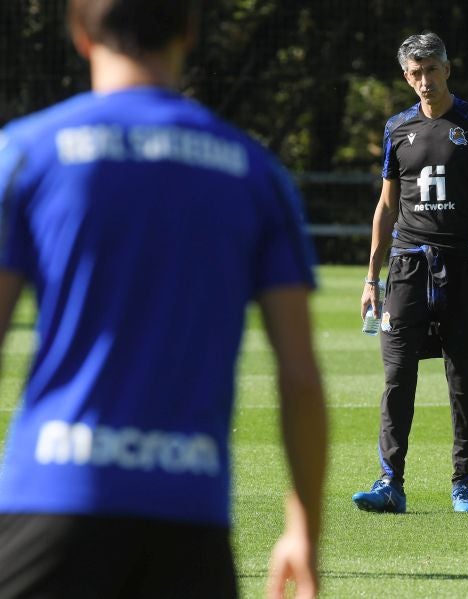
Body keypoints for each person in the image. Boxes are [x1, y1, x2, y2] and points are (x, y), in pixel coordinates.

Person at [0, 1, 326, 598]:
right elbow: (299, 376)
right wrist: (303, 526)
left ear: (78, 32)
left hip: (51, 499)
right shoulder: (255, 173)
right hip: (189, 518)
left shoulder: (26, 153)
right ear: (191, 30)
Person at [352, 32, 468, 514]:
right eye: (414, 73)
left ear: (447, 69)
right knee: (396, 377)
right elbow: (386, 207)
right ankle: (390, 482)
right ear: (405, 77)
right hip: (407, 267)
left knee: (464, 380)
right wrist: (372, 278)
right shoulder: (396, 129)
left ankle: (463, 483)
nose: (424, 81)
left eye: (431, 70)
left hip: (462, 268)